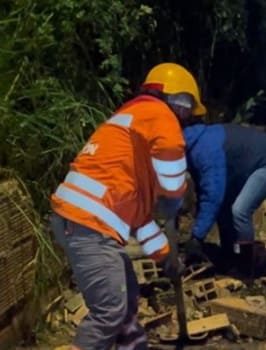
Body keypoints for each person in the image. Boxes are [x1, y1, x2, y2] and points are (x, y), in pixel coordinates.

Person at [49, 63, 206, 350]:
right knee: (109, 311)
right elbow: (171, 150)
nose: (185, 122)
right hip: (89, 225)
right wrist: (174, 193)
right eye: (186, 113)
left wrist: (166, 258)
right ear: (179, 101)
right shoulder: (157, 113)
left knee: (128, 297)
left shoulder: (132, 137)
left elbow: (141, 222)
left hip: (84, 222)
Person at [182, 122, 266, 280]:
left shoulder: (205, 152)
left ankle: (245, 268)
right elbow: (204, 191)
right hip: (247, 163)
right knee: (225, 208)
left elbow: (212, 196)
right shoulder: (192, 146)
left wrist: (197, 236)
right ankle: (230, 255)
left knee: (240, 210)